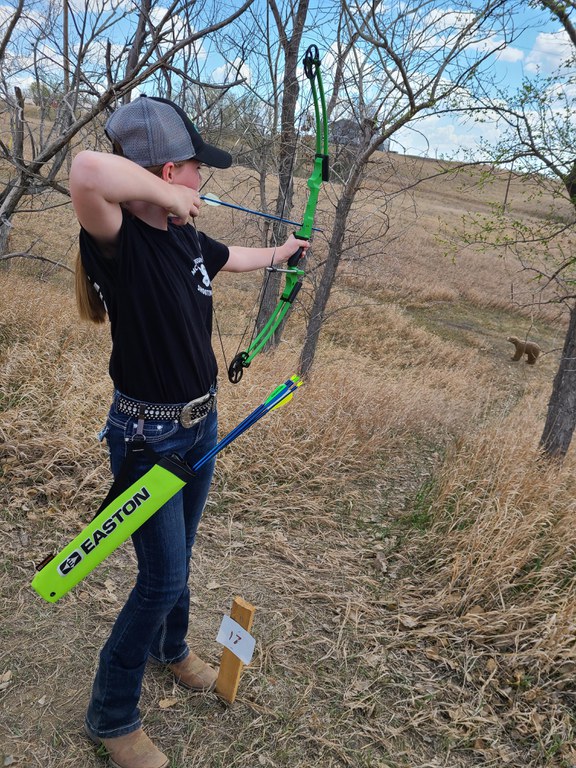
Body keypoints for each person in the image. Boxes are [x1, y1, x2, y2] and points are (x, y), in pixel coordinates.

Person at [69, 94, 309, 768]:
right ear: (170, 172)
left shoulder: (182, 238)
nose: (204, 181)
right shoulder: (120, 241)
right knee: (161, 577)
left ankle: (169, 650)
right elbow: (88, 170)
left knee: (180, 560)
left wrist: (284, 252)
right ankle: (111, 715)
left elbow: (231, 256)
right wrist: (168, 199)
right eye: (197, 170)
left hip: (201, 428)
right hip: (148, 437)